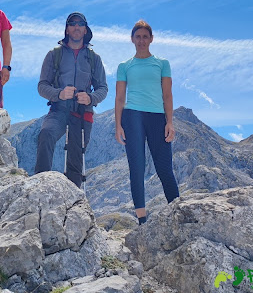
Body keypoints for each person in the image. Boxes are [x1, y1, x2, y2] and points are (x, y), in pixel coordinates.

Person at [115, 19, 179, 225]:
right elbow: (119, 98)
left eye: (145, 37)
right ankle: (142, 220)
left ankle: (177, 212)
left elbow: (167, 95)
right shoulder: (125, 66)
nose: (141, 40)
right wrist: (118, 125)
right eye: (138, 37)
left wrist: (170, 122)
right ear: (132, 39)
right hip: (132, 116)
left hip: (157, 117)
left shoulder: (162, 64)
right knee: (137, 167)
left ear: (151, 39)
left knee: (164, 168)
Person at [34, 12, 108, 188]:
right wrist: (59, 94)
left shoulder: (93, 58)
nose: (76, 26)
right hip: (58, 110)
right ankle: (39, 186)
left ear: (85, 30)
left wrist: (90, 98)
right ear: (67, 29)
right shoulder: (54, 55)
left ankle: (73, 198)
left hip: (83, 113)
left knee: (76, 157)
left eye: (80, 23)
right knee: (46, 134)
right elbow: (42, 86)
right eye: (73, 23)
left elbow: (103, 89)